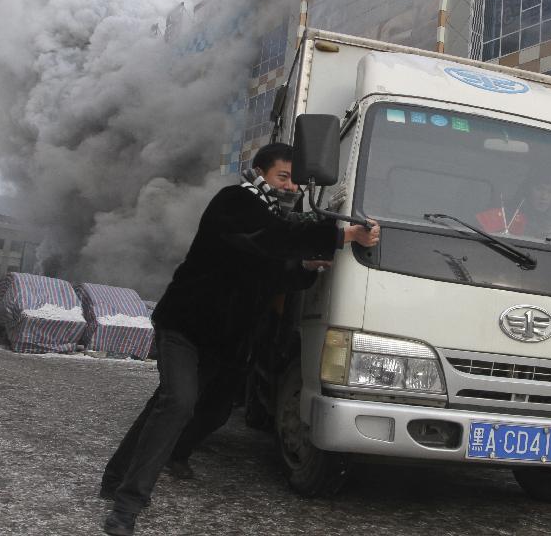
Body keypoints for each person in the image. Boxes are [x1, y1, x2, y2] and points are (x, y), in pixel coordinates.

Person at [100, 142, 380, 536]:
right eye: (283, 177)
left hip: (225, 340)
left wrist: (307, 267)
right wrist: (340, 235)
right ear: (260, 173)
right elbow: (269, 239)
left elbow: (274, 270)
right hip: (184, 326)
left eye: (297, 181)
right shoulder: (235, 201)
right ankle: (127, 506)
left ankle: (114, 477)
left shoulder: (273, 218)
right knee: (178, 403)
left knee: (184, 408)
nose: (292, 187)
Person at [476, 175, 551, 237]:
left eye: (550, 192)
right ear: (528, 190)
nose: (544, 196)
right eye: (539, 189)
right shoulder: (505, 215)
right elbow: (476, 233)